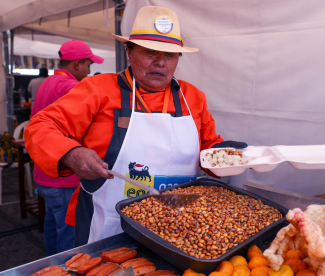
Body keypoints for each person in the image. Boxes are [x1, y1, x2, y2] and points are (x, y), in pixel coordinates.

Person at [25, 6, 246, 247]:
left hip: (177, 225)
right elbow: (39, 127)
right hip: (109, 225)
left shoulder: (192, 97)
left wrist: (224, 156)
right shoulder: (98, 90)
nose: (160, 62)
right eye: (150, 52)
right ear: (129, 52)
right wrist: (70, 153)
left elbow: (208, 150)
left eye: (170, 55)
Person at [29, 40, 104, 255]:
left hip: (43, 172)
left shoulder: (46, 83)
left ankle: (52, 266)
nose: (89, 71)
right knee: (70, 236)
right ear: (77, 64)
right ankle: (65, 269)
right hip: (64, 178)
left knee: (52, 226)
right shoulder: (73, 87)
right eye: (88, 65)